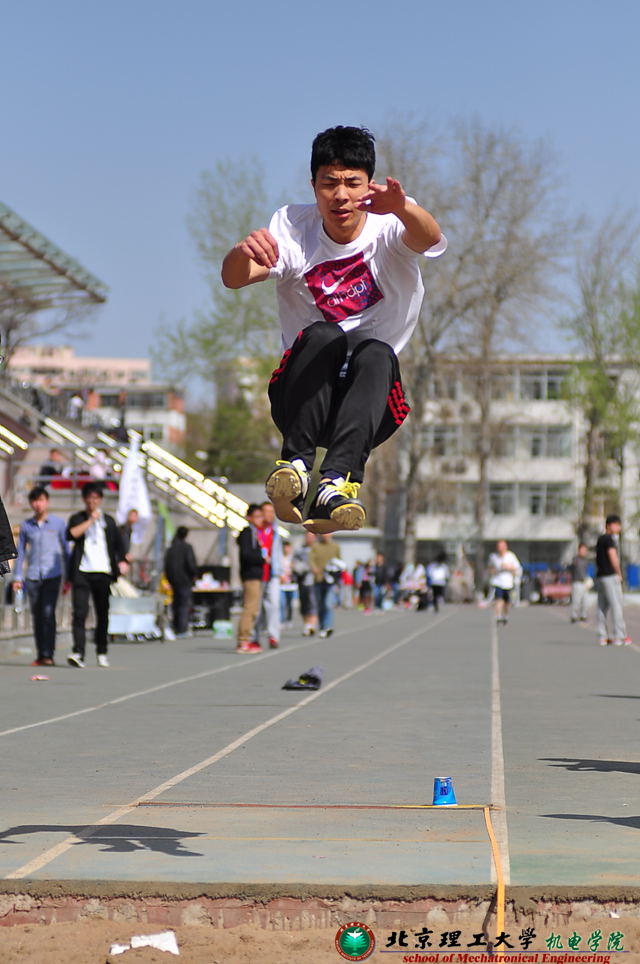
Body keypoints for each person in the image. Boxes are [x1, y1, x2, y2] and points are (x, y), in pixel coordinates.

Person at [221, 125, 446, 535]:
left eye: (351, 184)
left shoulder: (390, 220)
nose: (340, 196)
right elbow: (235, 278)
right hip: (303, 393)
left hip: (367, 404)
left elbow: (429, 237)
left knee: (376, 352)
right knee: (326, 335)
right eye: (328, 184)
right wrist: (241, 252)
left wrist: (400, 207)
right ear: (314, 186)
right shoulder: (294, 227)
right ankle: (296, 467)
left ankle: (335, 484)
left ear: (369, 186)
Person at [66, 482, 127, 668]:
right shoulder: (77, 518)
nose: (92, 501)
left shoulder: (108, 521)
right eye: (89, 498)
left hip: (103, 572)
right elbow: (72, 534)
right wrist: (91, 520)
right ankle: (79, 652)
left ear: (100, 500)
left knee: (102, 613)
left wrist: (123, 560)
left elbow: (118, 545)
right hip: (82, 572)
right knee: (80, 612)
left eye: (96, 498)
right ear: (84, 499)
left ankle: (102, 650)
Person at [13, 487, 69, 666]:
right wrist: (17, 577)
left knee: (48, 612)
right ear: (31, 503)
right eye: (35, 501)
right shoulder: (26, 526)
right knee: (37, 614)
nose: (38, 504)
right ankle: (40, 654)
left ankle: (49, 653)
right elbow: (20, 552)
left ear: (47, 502)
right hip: (33, 576)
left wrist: (70, 577)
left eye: (41, 500)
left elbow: (66, 551)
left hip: (53, 575)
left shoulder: (58, 524)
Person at [595, 514, 631, 646]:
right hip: (610, 576)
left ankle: (602, 637)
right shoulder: (610, 539)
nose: (619, 528)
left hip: (600, 576)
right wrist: (619, 573)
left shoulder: (600, 539)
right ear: (611, 525)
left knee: (602, 607)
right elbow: (613, 557)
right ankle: (619, 636)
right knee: (616, 605)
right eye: (617, 525)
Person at [252, 501, 283, 649]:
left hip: (273, 573)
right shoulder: (255, 531)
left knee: (274, 605)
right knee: (257, 608)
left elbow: (278, 553)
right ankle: (255, 636)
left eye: (272, 512)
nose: (269, 515)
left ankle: (273, 636)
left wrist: (282, 571)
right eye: (266, 512)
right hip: (258, 573)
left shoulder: (275, 532)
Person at [236, 504, 265, 653]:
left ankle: (247, 638)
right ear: (249, 518)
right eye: (257, 516)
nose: (261, 519)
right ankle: (243, 640)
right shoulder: (247, 533)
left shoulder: (255, 533)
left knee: (254, 609)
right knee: (250, 608)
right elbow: (246, 555)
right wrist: (262, 558)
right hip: (250, 575)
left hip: (256, 575)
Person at [164, 526, 197, 637]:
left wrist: (169, 578)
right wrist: (194, 575)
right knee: (183, 603)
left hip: (173, 579)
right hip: (184, 579)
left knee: (176, 603)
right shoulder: (187, 548)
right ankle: (182, 628)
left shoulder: (171, 548)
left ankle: (176, 626)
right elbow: (191, 563)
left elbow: (167, 565)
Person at [309, 533, 342, 637]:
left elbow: (339, 561)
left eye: (328, 533)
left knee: (328, 603)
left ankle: (328, 627)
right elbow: (311, 559)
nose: (326, 535)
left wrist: (336, 572)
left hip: (330, 581)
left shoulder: (335, 546)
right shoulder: (316, 546)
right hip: (318, 580)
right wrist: (314, 568)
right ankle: (322, 626)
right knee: (320, 605)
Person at [487, 540, 522, 626]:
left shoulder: (511, 556)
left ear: (505, 547)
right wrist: (494, 570)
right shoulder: (493, 557)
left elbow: (517, 568)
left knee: (507, 602)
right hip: (497, 582)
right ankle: (498, 617)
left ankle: (505, 616)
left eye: (502, 546)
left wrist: (508, 567)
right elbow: (489, 568)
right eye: (498, 547)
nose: (500, 548)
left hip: (508, 582)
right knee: (499, 599)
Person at [292, 530, 318, 636]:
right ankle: (306, 625)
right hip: (302, 580)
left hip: (315, 580)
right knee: (304, 604)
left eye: (311, 537)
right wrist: (301, 568)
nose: (309, 539)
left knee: (313, 603)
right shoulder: (300, 550)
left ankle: (312, 625)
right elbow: (294, 563)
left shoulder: (318, 549)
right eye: (308, 537)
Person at [569, 542, 590, 624]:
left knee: (585, 600)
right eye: (583, 550)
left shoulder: (586, 560)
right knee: (576, 600)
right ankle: (574, 616)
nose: (584, 551)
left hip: (584, 583)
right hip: (577, 582)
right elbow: (571, 569)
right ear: (579, 550)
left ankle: (583, 615)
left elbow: (585, 571)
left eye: (585, 550)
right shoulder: (575, 559)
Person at [280, 541, 296, 626]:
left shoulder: (292, 558)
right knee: (282, 603)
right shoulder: (280, 558)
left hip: (291, 584)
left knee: (289, 603)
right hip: (282, 584)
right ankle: (282, 620)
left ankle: (289, 619)